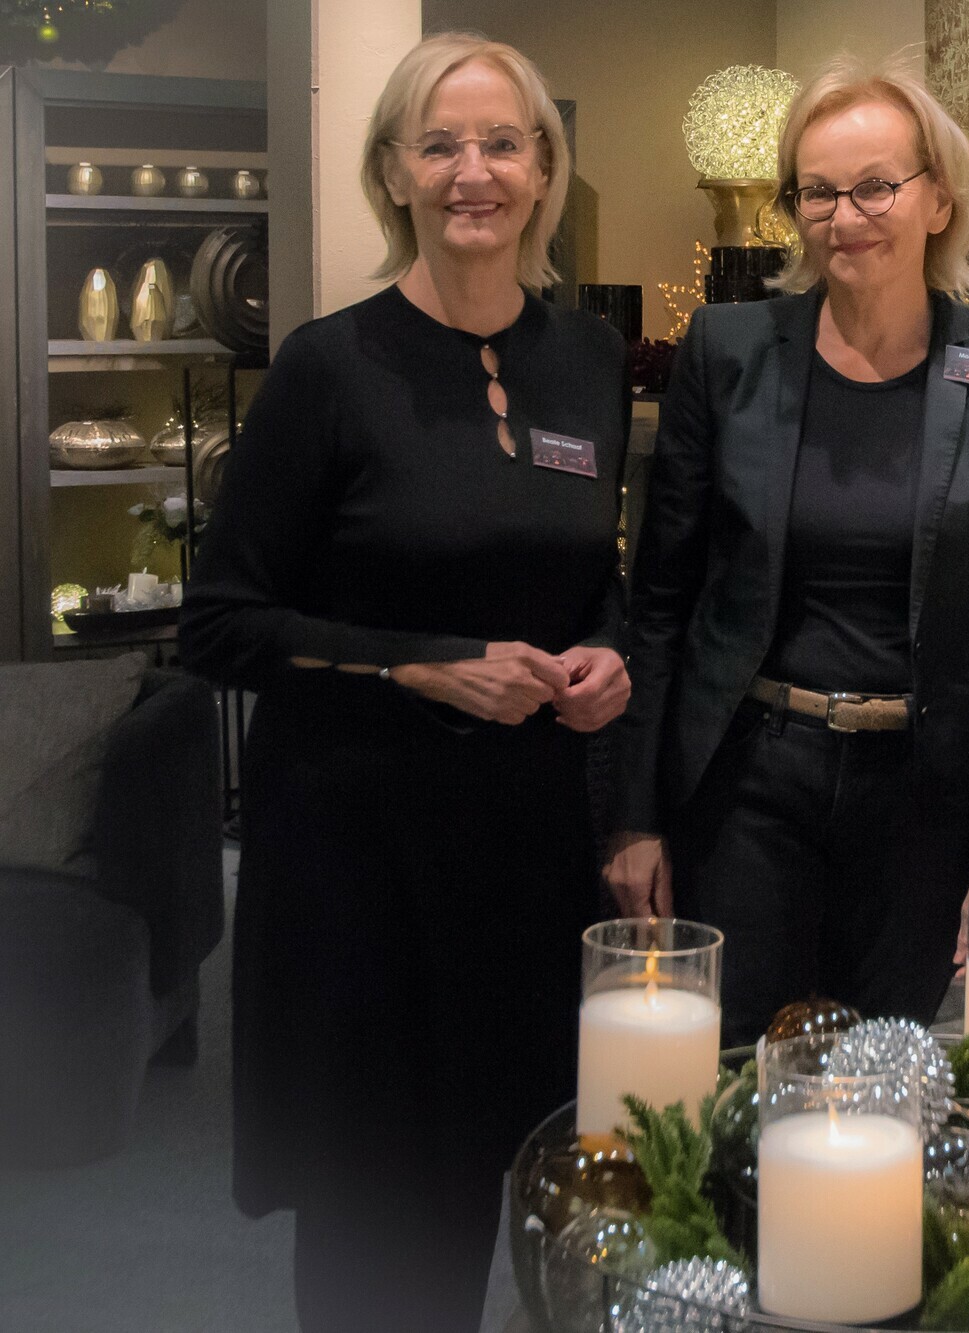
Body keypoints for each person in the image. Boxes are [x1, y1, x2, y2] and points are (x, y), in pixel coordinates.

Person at [180, 33, 629, 1333]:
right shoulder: (329, 367)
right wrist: (419, 666)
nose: (471, 172)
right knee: (383, 1244)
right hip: (360, 871)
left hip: (529, 865)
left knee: (538, 1205)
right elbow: (219, 625)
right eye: (439, 145)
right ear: (393, 172)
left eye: (501, 144)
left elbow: (588, 580)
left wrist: (612, 654)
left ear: (543, 170)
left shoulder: (590, 360)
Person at [609, 54, 969, 1047]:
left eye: (874, 187)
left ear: (938, 199)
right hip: (750, 785)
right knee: (742, 1071)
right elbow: (660, 604)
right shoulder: (727, 353)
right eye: (816, 191)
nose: (843, 216)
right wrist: (634, 816)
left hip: (924, 795)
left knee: (885, 1078)